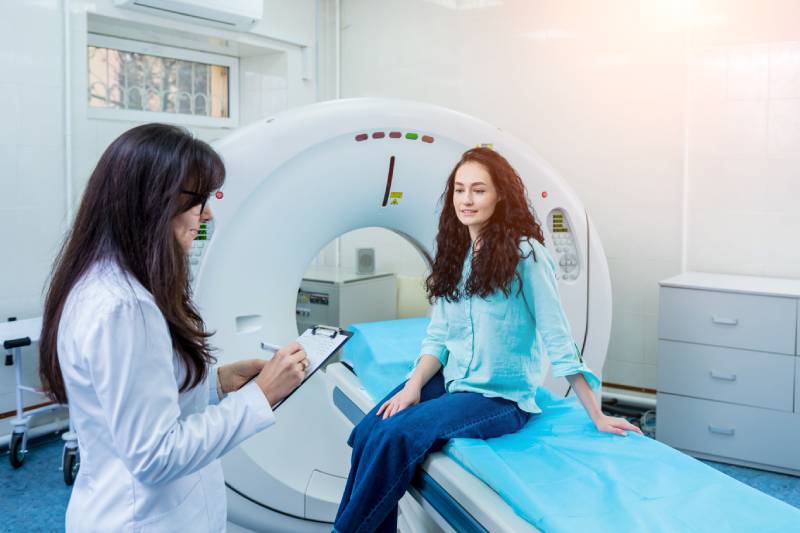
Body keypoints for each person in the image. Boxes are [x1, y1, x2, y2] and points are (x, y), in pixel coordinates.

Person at [333, 147, 642, 532]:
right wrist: (414, 387)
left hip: (498, 398)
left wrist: (596, 413)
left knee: (397, 436)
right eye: (460, 190)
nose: (466, 199)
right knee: (369, 430)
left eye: (478, 190)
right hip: (451, 380)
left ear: (500, 195)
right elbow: (440, 336)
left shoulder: (526, 255)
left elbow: (556, 335)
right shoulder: (456, 252)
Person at [38, 123, 310, 532]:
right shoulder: (125, 309)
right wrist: (261, 394)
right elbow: (156, 455)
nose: (208, 213)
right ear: (154, 202)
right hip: (143, 520)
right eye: (198, 200)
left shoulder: (101, 283)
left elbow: (133, 400)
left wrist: (216, 384)